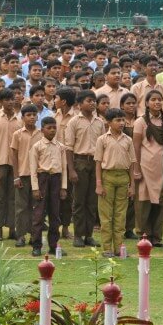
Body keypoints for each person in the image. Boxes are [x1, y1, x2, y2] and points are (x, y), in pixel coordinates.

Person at [63, 90, 104, 247]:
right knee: (79, 201)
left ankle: (89, 235)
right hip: (80, 161)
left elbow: (102, 146)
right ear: (79, 104)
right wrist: (71, 170)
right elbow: (69, 148)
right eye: (89, 100)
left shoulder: (99, 122)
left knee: (92, 201)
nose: (92, 103)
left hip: (96, 162)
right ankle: (78, 235)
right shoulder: (73, 122)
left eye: (94, 100)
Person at [94, 108, 136, 257]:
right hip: (107, 177)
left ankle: (119, 248)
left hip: (123, 177)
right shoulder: (102, 139)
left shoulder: (128, 140)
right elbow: (98, 163)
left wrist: (132, 185)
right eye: (117, 120)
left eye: (123, 120)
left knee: (120, 215)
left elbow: (132, 164)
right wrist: (99, 184)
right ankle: (107, 248)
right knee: (106, 215)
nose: (121, 123)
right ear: (109, 122)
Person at [133, 89, 163, 248]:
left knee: (162, 203)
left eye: (159, 99)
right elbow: (136, 146)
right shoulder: (141, 122)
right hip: (146, 167)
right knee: (144, 202)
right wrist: (136, 168)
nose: (157, 102)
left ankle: (157, 236)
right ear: (147, 103)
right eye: (153, 99)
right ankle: (143, 234)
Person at [28, 116, 67, 256]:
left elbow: (64, 168)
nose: (52, 130)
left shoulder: (61, 147)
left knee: (55, 215)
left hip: (56, 179)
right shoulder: (37, 146)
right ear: (42, 130)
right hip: (42, 179)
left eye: (54, 128)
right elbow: (32, 169)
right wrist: (35, 188)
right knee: (38, 214)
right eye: (49, 128)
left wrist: (63, 187)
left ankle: (54, 245)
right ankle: (36, 245)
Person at [0, 88, 22, 240]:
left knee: (14, 197)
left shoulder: (19, 120)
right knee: (0, 197)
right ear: (0, 102)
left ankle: (12, 228)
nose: (10, 102)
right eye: (6, 99)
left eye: (12, 99)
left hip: (16, 163)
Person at [10, 103, 40, 249]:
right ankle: (20, 235)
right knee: (21, 207)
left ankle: (35, 235)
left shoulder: (41, 134)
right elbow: (14, 157)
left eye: (34, 115)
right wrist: (16, 176)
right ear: (22, 118)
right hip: (22, 175)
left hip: (38, 176)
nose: (32, 117)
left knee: (36, 207)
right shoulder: (17, 134)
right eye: (28, 115)